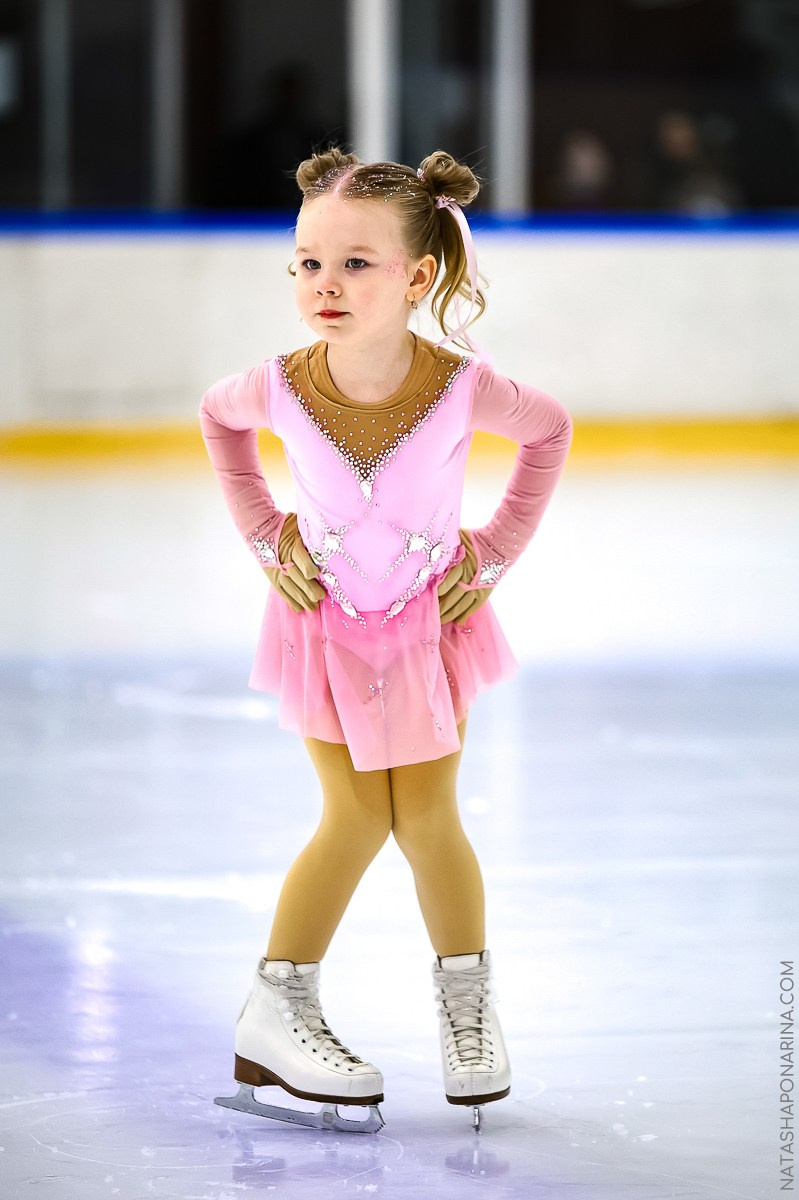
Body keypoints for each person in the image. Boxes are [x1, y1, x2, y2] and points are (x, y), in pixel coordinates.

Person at [200, 147, 573, 1130]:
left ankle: (466, 1007)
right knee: (357, 817)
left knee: (428, 820)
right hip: (321, 625)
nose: (325, 283)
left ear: (415, 276)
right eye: (308, 261)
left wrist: (491, 554)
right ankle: (276, 1009)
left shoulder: (462, 385)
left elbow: (550, 432)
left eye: (355, 263)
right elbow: (216, 420)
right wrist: (259, 530)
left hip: (422, 629)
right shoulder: (278, 384)